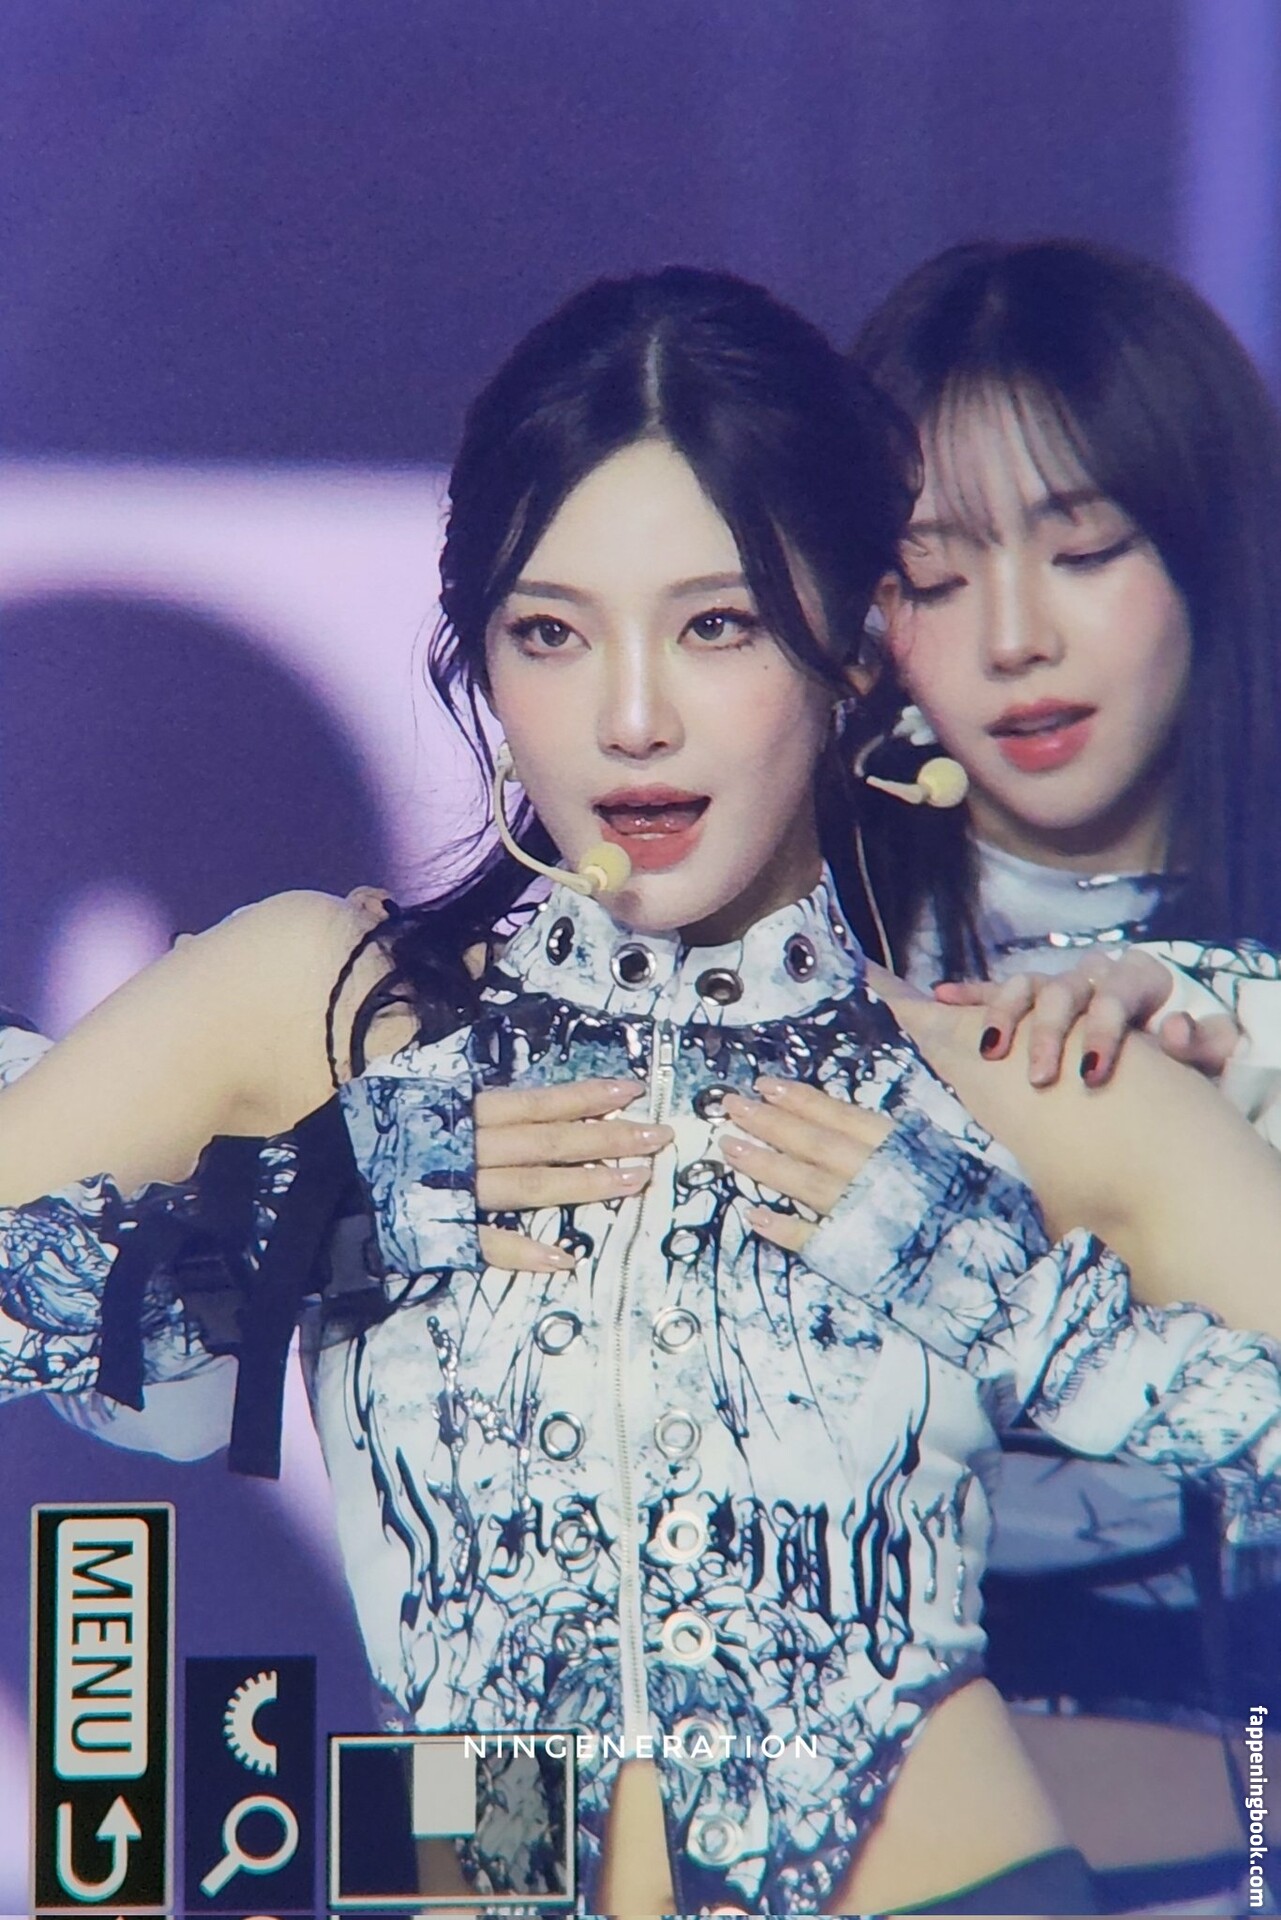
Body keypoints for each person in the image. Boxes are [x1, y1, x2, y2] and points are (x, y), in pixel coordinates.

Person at [3, 267, 1281, 1918]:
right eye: (550, 632)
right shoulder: (323, 1008)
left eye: (714, 625)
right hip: (474, 1862)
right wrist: (319, 1204)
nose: (628, 718)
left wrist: (1026, 1314)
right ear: (477, 660)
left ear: (851, 647)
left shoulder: (1012, 1076)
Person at [850, 237, 1281, 1910]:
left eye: (1084, 550)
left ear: (1210, 546)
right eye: (933, 576)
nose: (1015, 639)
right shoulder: (799, 955)